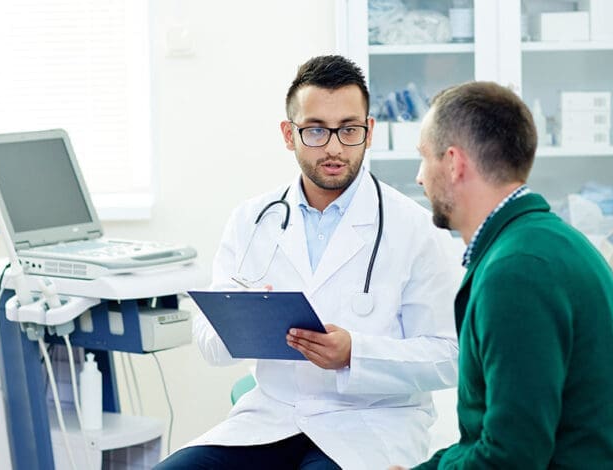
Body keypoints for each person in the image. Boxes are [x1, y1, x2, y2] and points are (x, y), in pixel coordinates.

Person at [156, 55, 462, 469]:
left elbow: (448, 355)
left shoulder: (414, 227)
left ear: (369, 132)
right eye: (316, 130)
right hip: (272, 418)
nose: (334, 147)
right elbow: (209, 340)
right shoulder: (252, 219)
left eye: (349, 130)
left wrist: (356, 353)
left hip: (371, 424)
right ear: (289, 134)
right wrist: (240, 322)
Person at [389, 81, 613, 469]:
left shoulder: (516, 272)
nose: (420, 178)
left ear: (454, 163)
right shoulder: (547, 242)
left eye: (424, 158)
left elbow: (511, 455)